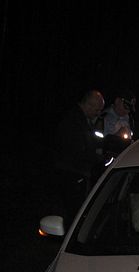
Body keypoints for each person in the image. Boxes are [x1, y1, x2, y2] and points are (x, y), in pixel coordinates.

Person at [54, 89, 106, 224]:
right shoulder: (73, 121)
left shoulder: (83, 120)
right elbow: (78, 151)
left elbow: (91, 142)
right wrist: (101, 159)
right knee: (74, 214)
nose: (98, 113)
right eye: (97, 109)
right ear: (89, 104)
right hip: (72, 176)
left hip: (77, 175)